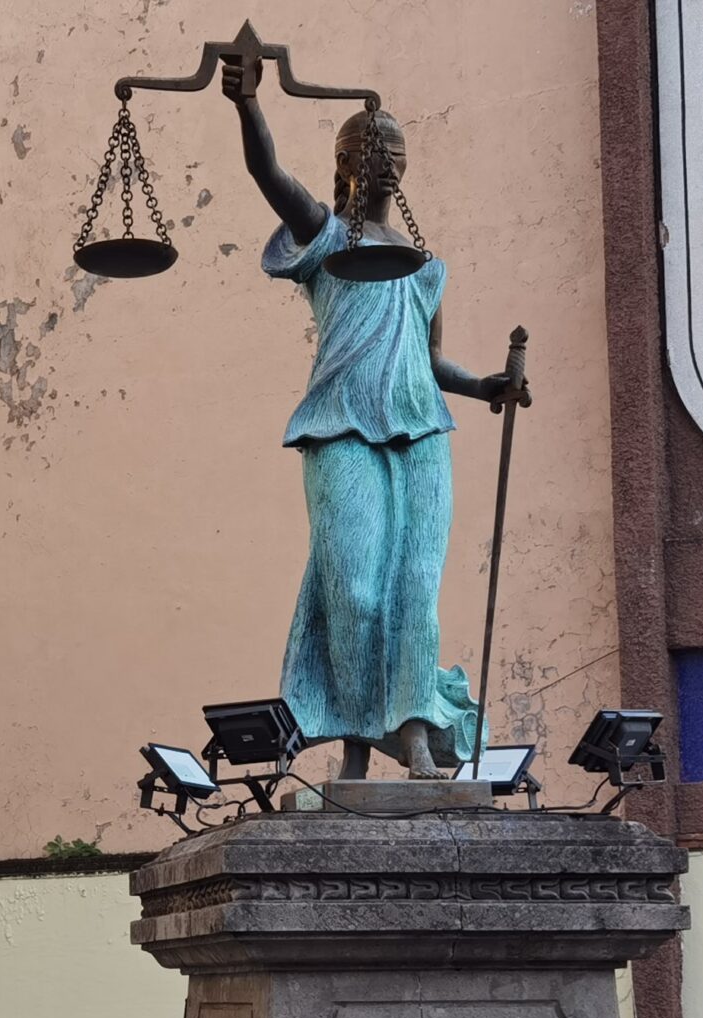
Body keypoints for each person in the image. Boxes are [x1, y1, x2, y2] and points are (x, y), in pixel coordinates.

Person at [222, 60, 531, 781]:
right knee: (355, 590)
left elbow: (429, 359)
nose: (388, 162)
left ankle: (415, 736)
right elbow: (269, 173)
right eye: (373, 151)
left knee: (416, 591)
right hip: (338, 429)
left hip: (421, 433)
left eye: (396, 152)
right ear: (345, 165)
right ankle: (357, 745)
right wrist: (247, 104)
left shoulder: (425, 269)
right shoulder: (328, 239)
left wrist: (484, 385)